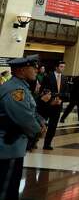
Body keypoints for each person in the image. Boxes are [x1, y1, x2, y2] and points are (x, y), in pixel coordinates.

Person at [0, 56, 47, 200]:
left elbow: (31, 111)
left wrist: (41, 121)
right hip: (9, 148)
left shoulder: (21, 87)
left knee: (11, 186)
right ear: (21, 70)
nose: (36, 70)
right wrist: (38, 131)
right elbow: (24, 117)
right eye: (33, 68)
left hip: (14, 146)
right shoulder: (15, 91)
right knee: (6, 188)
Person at [40, 60, 67, 150]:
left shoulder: (64, 78)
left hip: (58, 105)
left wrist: (60, 99)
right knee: (41, 123)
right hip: (48, 104)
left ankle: (47, 144)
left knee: (53, 125)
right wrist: (51, 100)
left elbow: (65, 92)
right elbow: (43, 90)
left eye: (63, 67)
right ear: (56, 67)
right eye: (61, 66)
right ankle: (33, 142)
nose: (62, 68)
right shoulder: (48, 76)